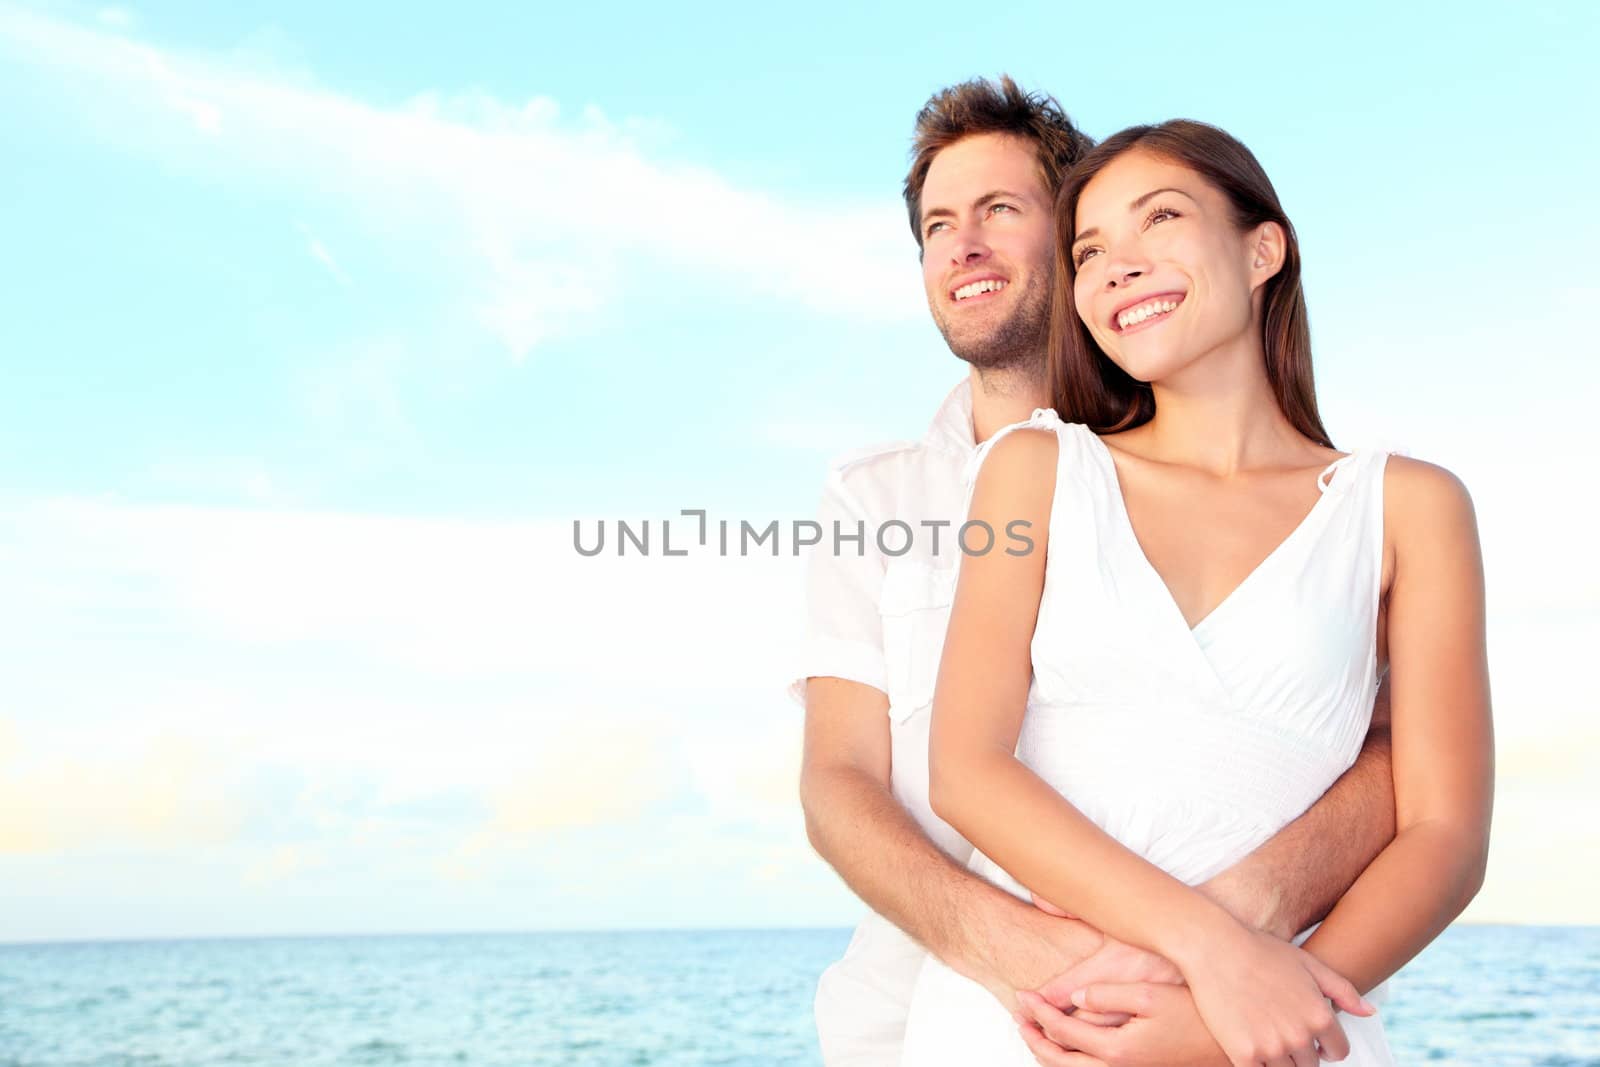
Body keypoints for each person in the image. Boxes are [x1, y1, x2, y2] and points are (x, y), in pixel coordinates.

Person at [792, 78, 1401, 1066]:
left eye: (999, 210)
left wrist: (1217, 934)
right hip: (939, 1012)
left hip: (1227, 1004)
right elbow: (839, 781)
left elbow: (1397, 760)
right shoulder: (876, 498)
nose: (963, 246)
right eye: (937, 225)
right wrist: (1041, 959)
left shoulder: (1277, 481)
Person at [895, 119, 1494, 1066]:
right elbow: (966, 768)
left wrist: (1247, 1015)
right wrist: (1213, 952)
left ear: (1264, 248)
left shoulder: (1411, 507)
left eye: (1159, 218)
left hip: (1280, 1030)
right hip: (1039, 1026)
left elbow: (1446, 829)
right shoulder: (1034, 470)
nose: (1116, 268)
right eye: (1089, 252)